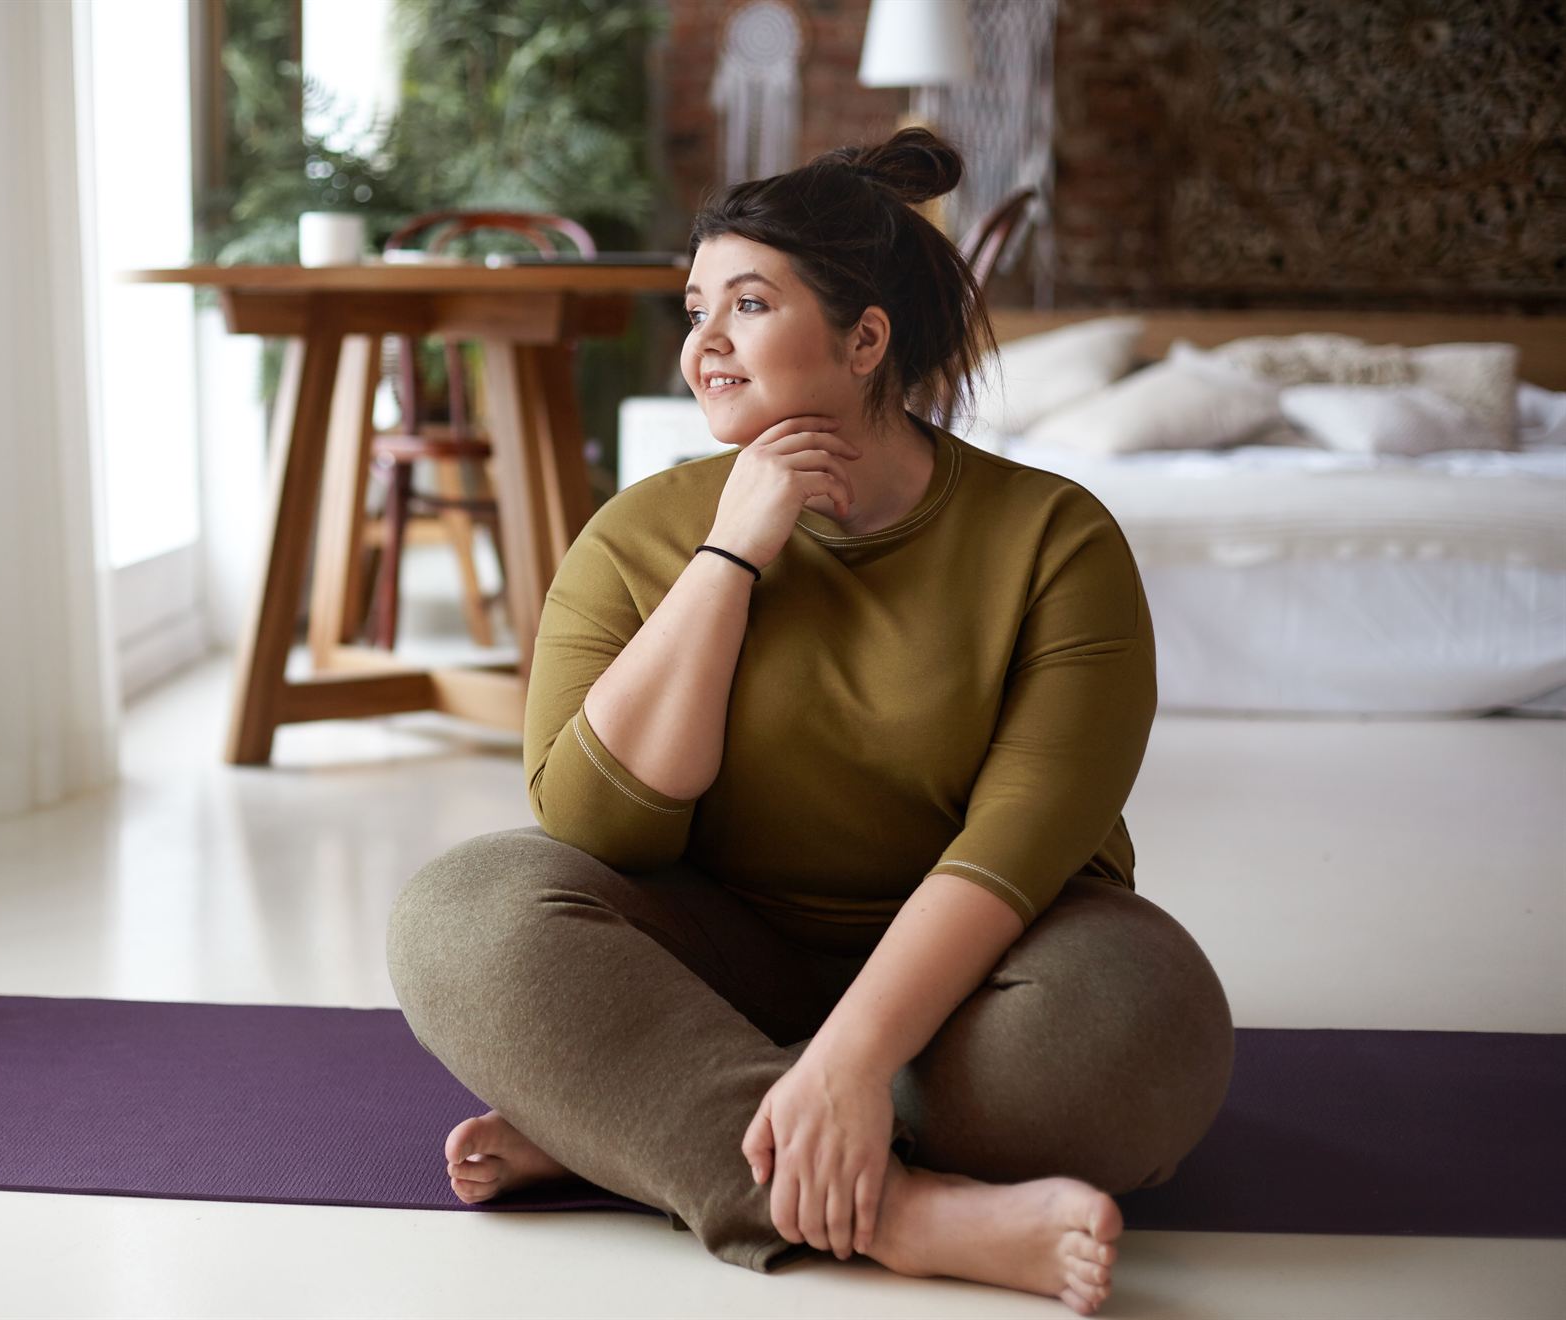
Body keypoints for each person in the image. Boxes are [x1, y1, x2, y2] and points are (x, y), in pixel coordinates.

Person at [385, 126, 1234, 1316]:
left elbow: (1015, 852)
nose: (703, 345)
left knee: (1133, 1041)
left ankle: (650, 1130)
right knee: (462, 914)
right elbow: (595, 827)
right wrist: (732, 551)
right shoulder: (636, 536)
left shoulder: (1056, 541)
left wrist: (851, 1059)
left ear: (865, 338)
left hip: (987, 976)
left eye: (746, 304)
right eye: (694, 311)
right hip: (722, 949)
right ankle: (903, 1211)